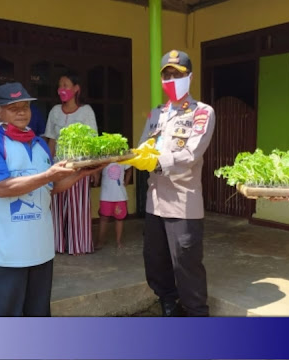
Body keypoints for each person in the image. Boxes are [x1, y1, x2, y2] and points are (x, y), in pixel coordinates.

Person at [0, 82, 104, 316]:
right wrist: (47, 175)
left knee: (38, 316)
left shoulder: (39, 144)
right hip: (7, 255)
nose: (22, 112)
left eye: (25, 106)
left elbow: (49, 188)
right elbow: (1, 188)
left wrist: (80, 174)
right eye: (13, 107)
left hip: (41, 252)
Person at [123, 50, 216, 316]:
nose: (172, 79)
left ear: (190, 77)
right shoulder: (156, 113)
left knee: (187, 264)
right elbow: (143, 146)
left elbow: (191, 153)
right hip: (155, 201)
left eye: (178, 74)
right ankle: (168, 302)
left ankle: (196, 314)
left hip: (183, 201)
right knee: (155, 261)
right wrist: (126, 157)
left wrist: (154, 161)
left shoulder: (202, 112)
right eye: (167, 75)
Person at [43, 72, 98, 255]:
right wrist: (47, 165)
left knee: (78, 208)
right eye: (60, 86)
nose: (62, 89)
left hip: (78, 167)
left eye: (66, 85)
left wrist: (93, 169)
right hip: (58, 167)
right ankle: (58, 245)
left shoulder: (86, 111)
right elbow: (51, 140)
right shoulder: (54, 112)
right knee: (57, 208)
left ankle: (79, 245)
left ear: (76, 89)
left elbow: (92, 141)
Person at [95, 163, 132, 249]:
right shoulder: (104, 159)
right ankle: (100, 241)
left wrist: (126, 182)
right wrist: (96, 179)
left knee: (119, 219)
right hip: (106, 195)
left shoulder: (123, 158)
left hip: (120, 195)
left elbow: (130, 169)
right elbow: (97, 170)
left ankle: (118, 241)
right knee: (104, 218)